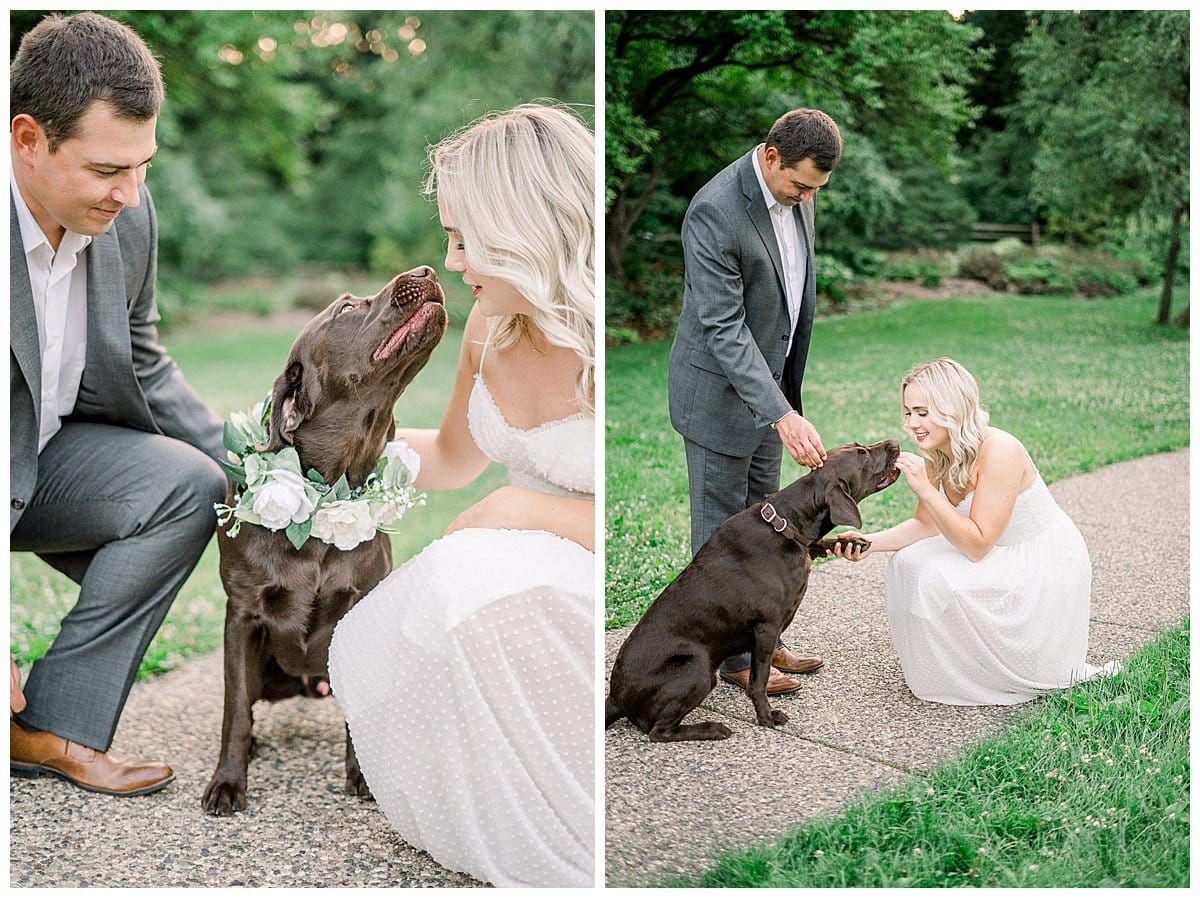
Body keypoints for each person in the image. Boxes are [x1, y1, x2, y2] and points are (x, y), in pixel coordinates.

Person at [327, 104, 595, 888]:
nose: (450, 259)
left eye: (464, 237)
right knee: (436, 596)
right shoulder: (490, 320)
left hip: (579, 573)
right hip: (500, 563)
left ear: (526, 226)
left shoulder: (605, 342)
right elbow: (449, 458)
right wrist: (310, 455)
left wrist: (520, 510)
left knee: (457, 581)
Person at [9, 13, 226, 794]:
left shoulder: (127, 217)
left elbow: (145, 361)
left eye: (144, 167)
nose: (131, 195)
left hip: (47, 463)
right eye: (108, 169)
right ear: (27, 139)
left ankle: (46, 728)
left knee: (188, 483)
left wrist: (268, 478)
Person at [667, 108, 841, 695]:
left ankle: (760, 643)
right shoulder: (714, 211)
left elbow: (791, 297)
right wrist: (781, 413)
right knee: (723, 537)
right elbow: (722, 327)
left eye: (816, 190)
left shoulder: (799, 194)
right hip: (719, 400)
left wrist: (783, 400)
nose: (806, 198)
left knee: (772, 529)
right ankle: (730, 660)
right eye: (800, 185)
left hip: (772, 395)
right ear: (770, 156)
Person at [834, 358, 1117, 704]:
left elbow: (978, 546)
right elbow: (925, 524)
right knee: (907, 563)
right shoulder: (939, 452)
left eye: (923, 412)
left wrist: (925, 488)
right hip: (992, 546)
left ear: (951, 408)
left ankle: (994, 667)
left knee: (938, 575)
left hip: (1037, 563)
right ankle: (955, 668)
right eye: (908, 412)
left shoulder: (1000, 451)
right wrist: (868, 543)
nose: (912, 424)